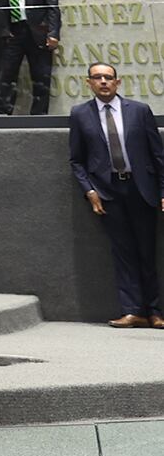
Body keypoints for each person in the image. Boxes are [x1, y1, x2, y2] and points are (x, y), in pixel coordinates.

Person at [67, 63, 164, 328]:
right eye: (97, 78)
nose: (103, 82)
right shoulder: (80, 114)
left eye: (108, 78)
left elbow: (158, 155)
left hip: (141, 189)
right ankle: (133, 310)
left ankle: (154, 311)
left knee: (147, 251)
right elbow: (77, 160)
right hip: (107, 192)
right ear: (89, 83)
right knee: (123, 253)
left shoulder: (139, 111)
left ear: (117, 82)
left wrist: (163, 190)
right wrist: (90, 191)